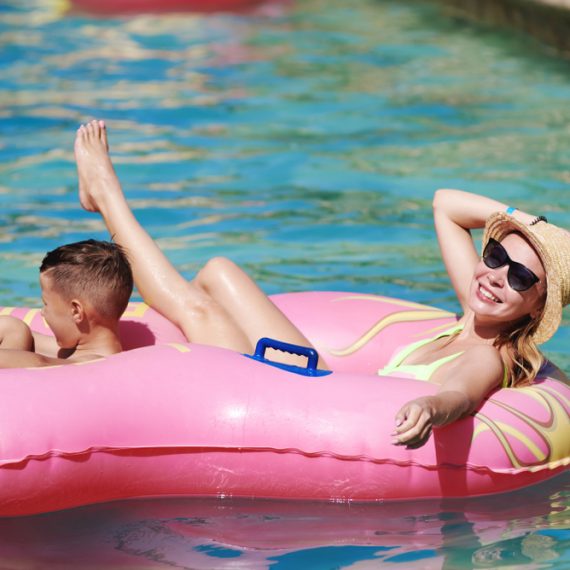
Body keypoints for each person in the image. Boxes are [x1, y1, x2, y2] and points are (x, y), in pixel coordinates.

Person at [74, 119, 570, 448]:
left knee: (197, 311)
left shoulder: (488, 351)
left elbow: (460, 395)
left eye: (523, 276)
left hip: (295, 403)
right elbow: (445, 203)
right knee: (220, 271)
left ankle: (107, 195)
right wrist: (531, 226)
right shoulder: (474, 311)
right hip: (314, 378)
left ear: (534, 308)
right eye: (496, 254)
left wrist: (431, 408)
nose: (498, 275)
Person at [0, 239, 133, 367]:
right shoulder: (74, 350)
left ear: (76, 311)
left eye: (46, 304)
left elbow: (40, 363)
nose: (42, 312)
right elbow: (12, 330)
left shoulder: (95, 362)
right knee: (14, 328)